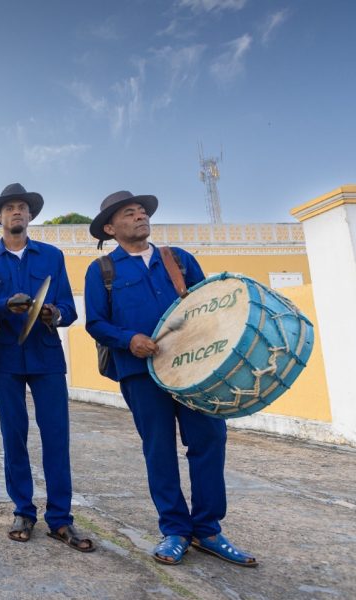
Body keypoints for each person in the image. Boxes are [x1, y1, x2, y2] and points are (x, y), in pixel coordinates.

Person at [84, 191, 256, 567]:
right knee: (159, 448)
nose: (140, 216)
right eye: (129, 213)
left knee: (210, 439)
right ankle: (175, 530)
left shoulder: (177, 259)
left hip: (194, 369)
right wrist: (129, 339)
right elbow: (95, 322)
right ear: (110, 229)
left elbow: (207, 305)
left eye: (142, 211)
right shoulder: (102, 270)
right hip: (140, 372)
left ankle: (208, 529)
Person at [0, 183, 94, 552]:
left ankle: (61, 518)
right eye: (10, 207)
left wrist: (53, 312)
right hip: (5, 356)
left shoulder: (52, 256)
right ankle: (23, 511)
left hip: (46, 355)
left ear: (30, 215)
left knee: (56, 436)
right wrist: (4, 304)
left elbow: (68, 308)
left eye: (22, 207)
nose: (16, 212)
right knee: (14, 436)